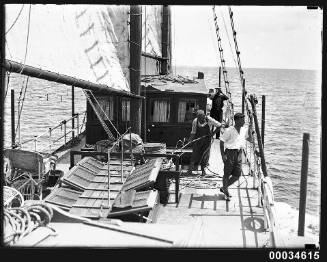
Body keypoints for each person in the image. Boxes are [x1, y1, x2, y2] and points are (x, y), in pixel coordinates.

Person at [219, 112, 253, 200]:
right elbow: (221, 141)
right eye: (242, 120)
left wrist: (250, 128)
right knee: (227, 173)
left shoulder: (244, 129)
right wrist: (223, 155)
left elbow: (250, 139)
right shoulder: (229, 130)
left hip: (239, 153)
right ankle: (226, 191)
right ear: (237, 120)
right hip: (229, 153)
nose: (244, 121)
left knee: (237, 175)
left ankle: (224, 188)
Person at [187, 109, 222, 176]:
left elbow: (219, 125)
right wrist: (190, 140)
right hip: (198, 140)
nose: (200, 119)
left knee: (204, 155)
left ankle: (203, 171)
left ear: (204, 116)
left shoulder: (209, 120)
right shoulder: (195, 121)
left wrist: (212, 134)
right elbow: (193, 132)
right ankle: (190, 170)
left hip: (207, 140)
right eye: (199, 117)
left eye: (201, 117)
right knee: (194, 154)